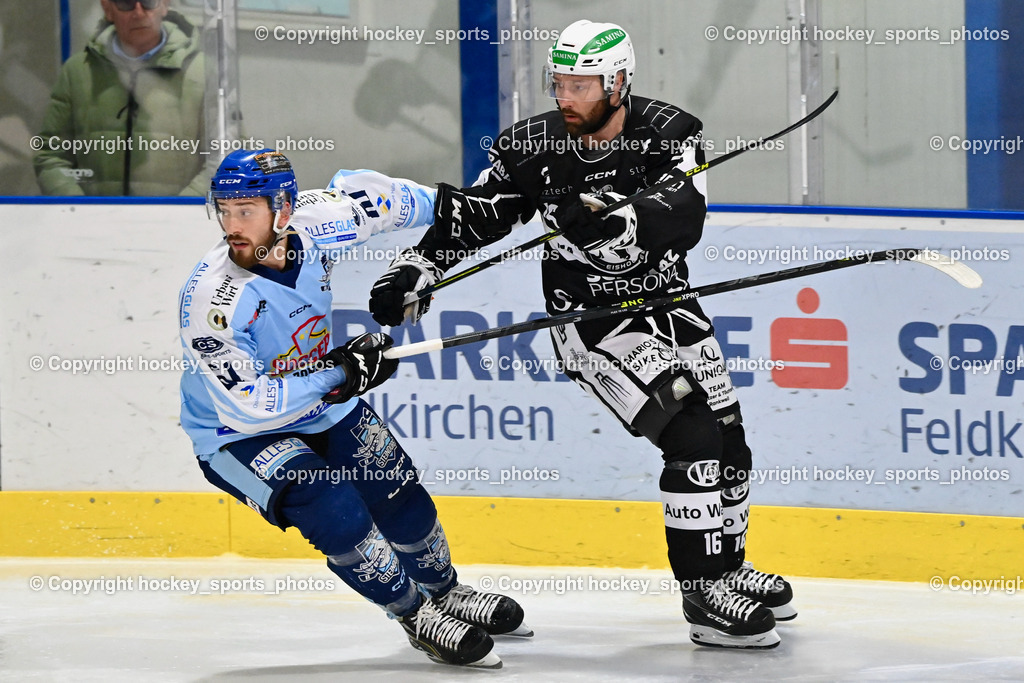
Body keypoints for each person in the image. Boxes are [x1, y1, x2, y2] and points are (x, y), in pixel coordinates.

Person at [366, 20, 796, 650]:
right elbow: (480, 215)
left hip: (671, 305)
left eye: (582, 85)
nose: (566, 97)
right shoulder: (531, 146)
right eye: (560, 83)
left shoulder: (671, 131)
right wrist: (417, 268)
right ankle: (704, 594)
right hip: (592, 321)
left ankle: (728, 568)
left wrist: (616, 222)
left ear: (618, 83)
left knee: (729, 437)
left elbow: (685, 215)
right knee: (691, 432)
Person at [178, 148, 531, 669]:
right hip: (236, 434)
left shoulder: (318, 222)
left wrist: (458, 208)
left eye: (245, 211)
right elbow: (250, 406)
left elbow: (382, 199)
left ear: (284, 208)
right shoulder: (213, 299)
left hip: (320, 404)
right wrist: (341, 374)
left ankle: (445, 591)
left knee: (396, 489)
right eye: (225, 211)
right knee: (334, 507)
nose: (232, 226)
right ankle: (415, 614)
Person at [34, 0, 206, 195]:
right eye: (126, 3)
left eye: (148, 2)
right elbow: (51, 155)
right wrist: (77, 207)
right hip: (91, 215)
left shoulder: (203, 73)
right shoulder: (77, 72)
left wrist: (183, 208)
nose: (139, 13)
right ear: (108, 9)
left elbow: (224, 159)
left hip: (180, 215)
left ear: (165, 5)